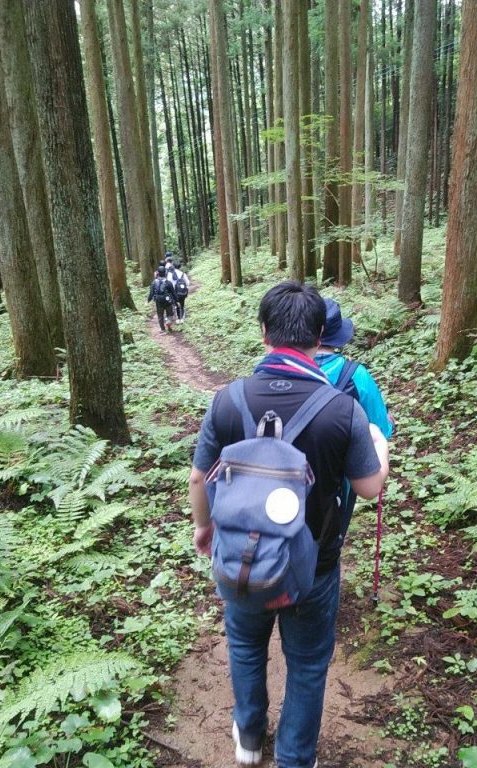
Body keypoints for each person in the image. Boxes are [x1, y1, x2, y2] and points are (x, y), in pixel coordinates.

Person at [189, 282, 390, 768]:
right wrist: (378, 443)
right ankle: (295, 757)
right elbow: (369, 488)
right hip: (312, 564)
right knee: (306, 663)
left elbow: (199, 477)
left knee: (244, 644)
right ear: (321, 336)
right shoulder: (343, 409)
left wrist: (204, 529)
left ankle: (250, 738)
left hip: (240, 560)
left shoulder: (227, 399)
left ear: (264, 333)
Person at [315, 298, 393, 544]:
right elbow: (381, 429)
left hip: (289, 472)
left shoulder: (286, 371)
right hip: (341, 481)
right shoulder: (356, 375)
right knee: (330, 542)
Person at [147, 267, 177, 333]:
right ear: (165, 273)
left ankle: (162, 329)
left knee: (160, 315)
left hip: (158, 301)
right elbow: (173, 292)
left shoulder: (154, 282)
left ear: (158, 273)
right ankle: (168, 324)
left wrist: (148, 300)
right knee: (170, 314)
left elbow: (151, 293)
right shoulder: (168, 282)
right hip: (168, 301)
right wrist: (176, 301)